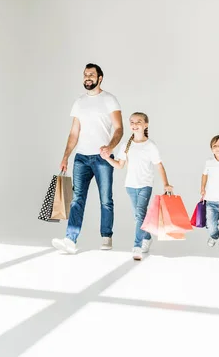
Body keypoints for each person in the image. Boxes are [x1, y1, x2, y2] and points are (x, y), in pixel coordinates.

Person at [52, 63, 123, 254]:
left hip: (102, 158)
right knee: (76, 199)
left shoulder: (110, 100)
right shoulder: (79, 102)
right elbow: (74, 132)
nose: (87, 77)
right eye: (85, 75)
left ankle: (106, 236)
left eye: (91, 74)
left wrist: (109, 147)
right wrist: (66, 155)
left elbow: (119, 128)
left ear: (100, 78)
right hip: (81, 158)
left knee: (106, 199)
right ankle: (70, 240)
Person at [101, 112, 173, 261]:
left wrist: (166, 184)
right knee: (139, 216)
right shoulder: (126, 146)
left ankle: (137, 246)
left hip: (145, 185)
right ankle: (146, 237)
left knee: (140, 214)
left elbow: (159, 166)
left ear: (146, 125)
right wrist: (107, 158)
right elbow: (120, 165)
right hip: (130, 186)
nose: (135, 124)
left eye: (138, 122)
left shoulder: (151, 145)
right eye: (132, 122)